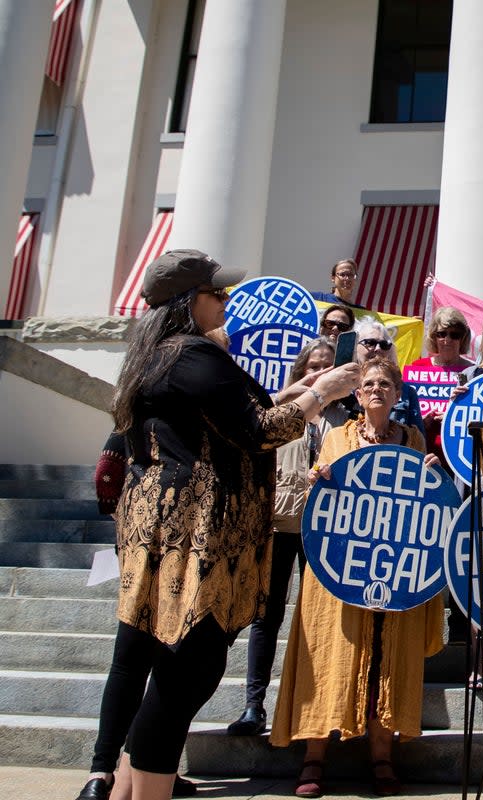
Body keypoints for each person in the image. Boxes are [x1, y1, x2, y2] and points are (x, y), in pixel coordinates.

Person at [102, 249, 358, 800]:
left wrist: (293, 394)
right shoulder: (192, 354)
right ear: (188, 301)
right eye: (216, 293)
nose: (225, 300)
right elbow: (256, 431)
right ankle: (146, 789)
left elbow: (235, 414)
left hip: (172, 528)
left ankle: (128, 784)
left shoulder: (161, 355)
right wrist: (323, 392)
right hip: (199, 534)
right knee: (185, 671)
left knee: (181, 669)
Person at [270, 357, 444, 798]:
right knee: (330, 657)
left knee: (388, 656)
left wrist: (431, 476)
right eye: (369, 384)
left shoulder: (413, 439)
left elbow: (424, 503)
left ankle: (382, 756)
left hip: (394, 569)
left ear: (398, 394)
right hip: (340, 571)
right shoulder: (336, 437)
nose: (377, 390)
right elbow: (322, 496)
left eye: (386, 383)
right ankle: (314, 758)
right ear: (358, 393)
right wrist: (319, 478)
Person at [227, 337, 350, 737]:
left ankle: (319, 707)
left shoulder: (347, 416)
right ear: (301, 372)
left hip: (325, 526)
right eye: (312, 366)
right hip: (279, 522)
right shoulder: (280, 411)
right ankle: (254, 705)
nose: (320, 372)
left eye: (327, 366)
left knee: (320, 617)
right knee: (267, 616)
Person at [74, 435, 197, 800]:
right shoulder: (180, 408)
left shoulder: (137, 410)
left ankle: (102, 774)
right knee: (164, 666)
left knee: (128, 663)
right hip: (176, 548)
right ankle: (144, 767)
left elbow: (106, 473)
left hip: (138, 541)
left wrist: (124, 520)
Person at [409, 308, 474, 465]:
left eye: (455, 334)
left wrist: (454, 418)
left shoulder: (471, 372)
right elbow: (406, 412)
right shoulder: (418, 367)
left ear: (463, 338)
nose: (447, 339)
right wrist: (419, 420)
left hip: (457, 454)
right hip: (422, 450)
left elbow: (475, 414)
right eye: (441, 334)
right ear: (434, 337)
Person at [353, 317, 424, 430]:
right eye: (370, 343)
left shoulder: (406, 392)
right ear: (355, 346)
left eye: (384, 344)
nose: (378, 349)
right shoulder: (340, 386)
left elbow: (417, 442)